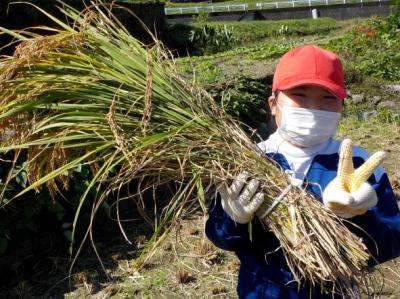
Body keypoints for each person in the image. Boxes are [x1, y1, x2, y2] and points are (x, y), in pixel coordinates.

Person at [205, 45, 400, 299]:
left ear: (342, 106)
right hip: (261, 293)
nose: (312, 108)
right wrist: (233, 220)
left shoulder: (360, 165)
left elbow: (392, 241)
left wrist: (359, 217)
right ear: (273, 105)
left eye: (328, 98)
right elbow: (220, 237)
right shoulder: (249, 161)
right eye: (300, 95)